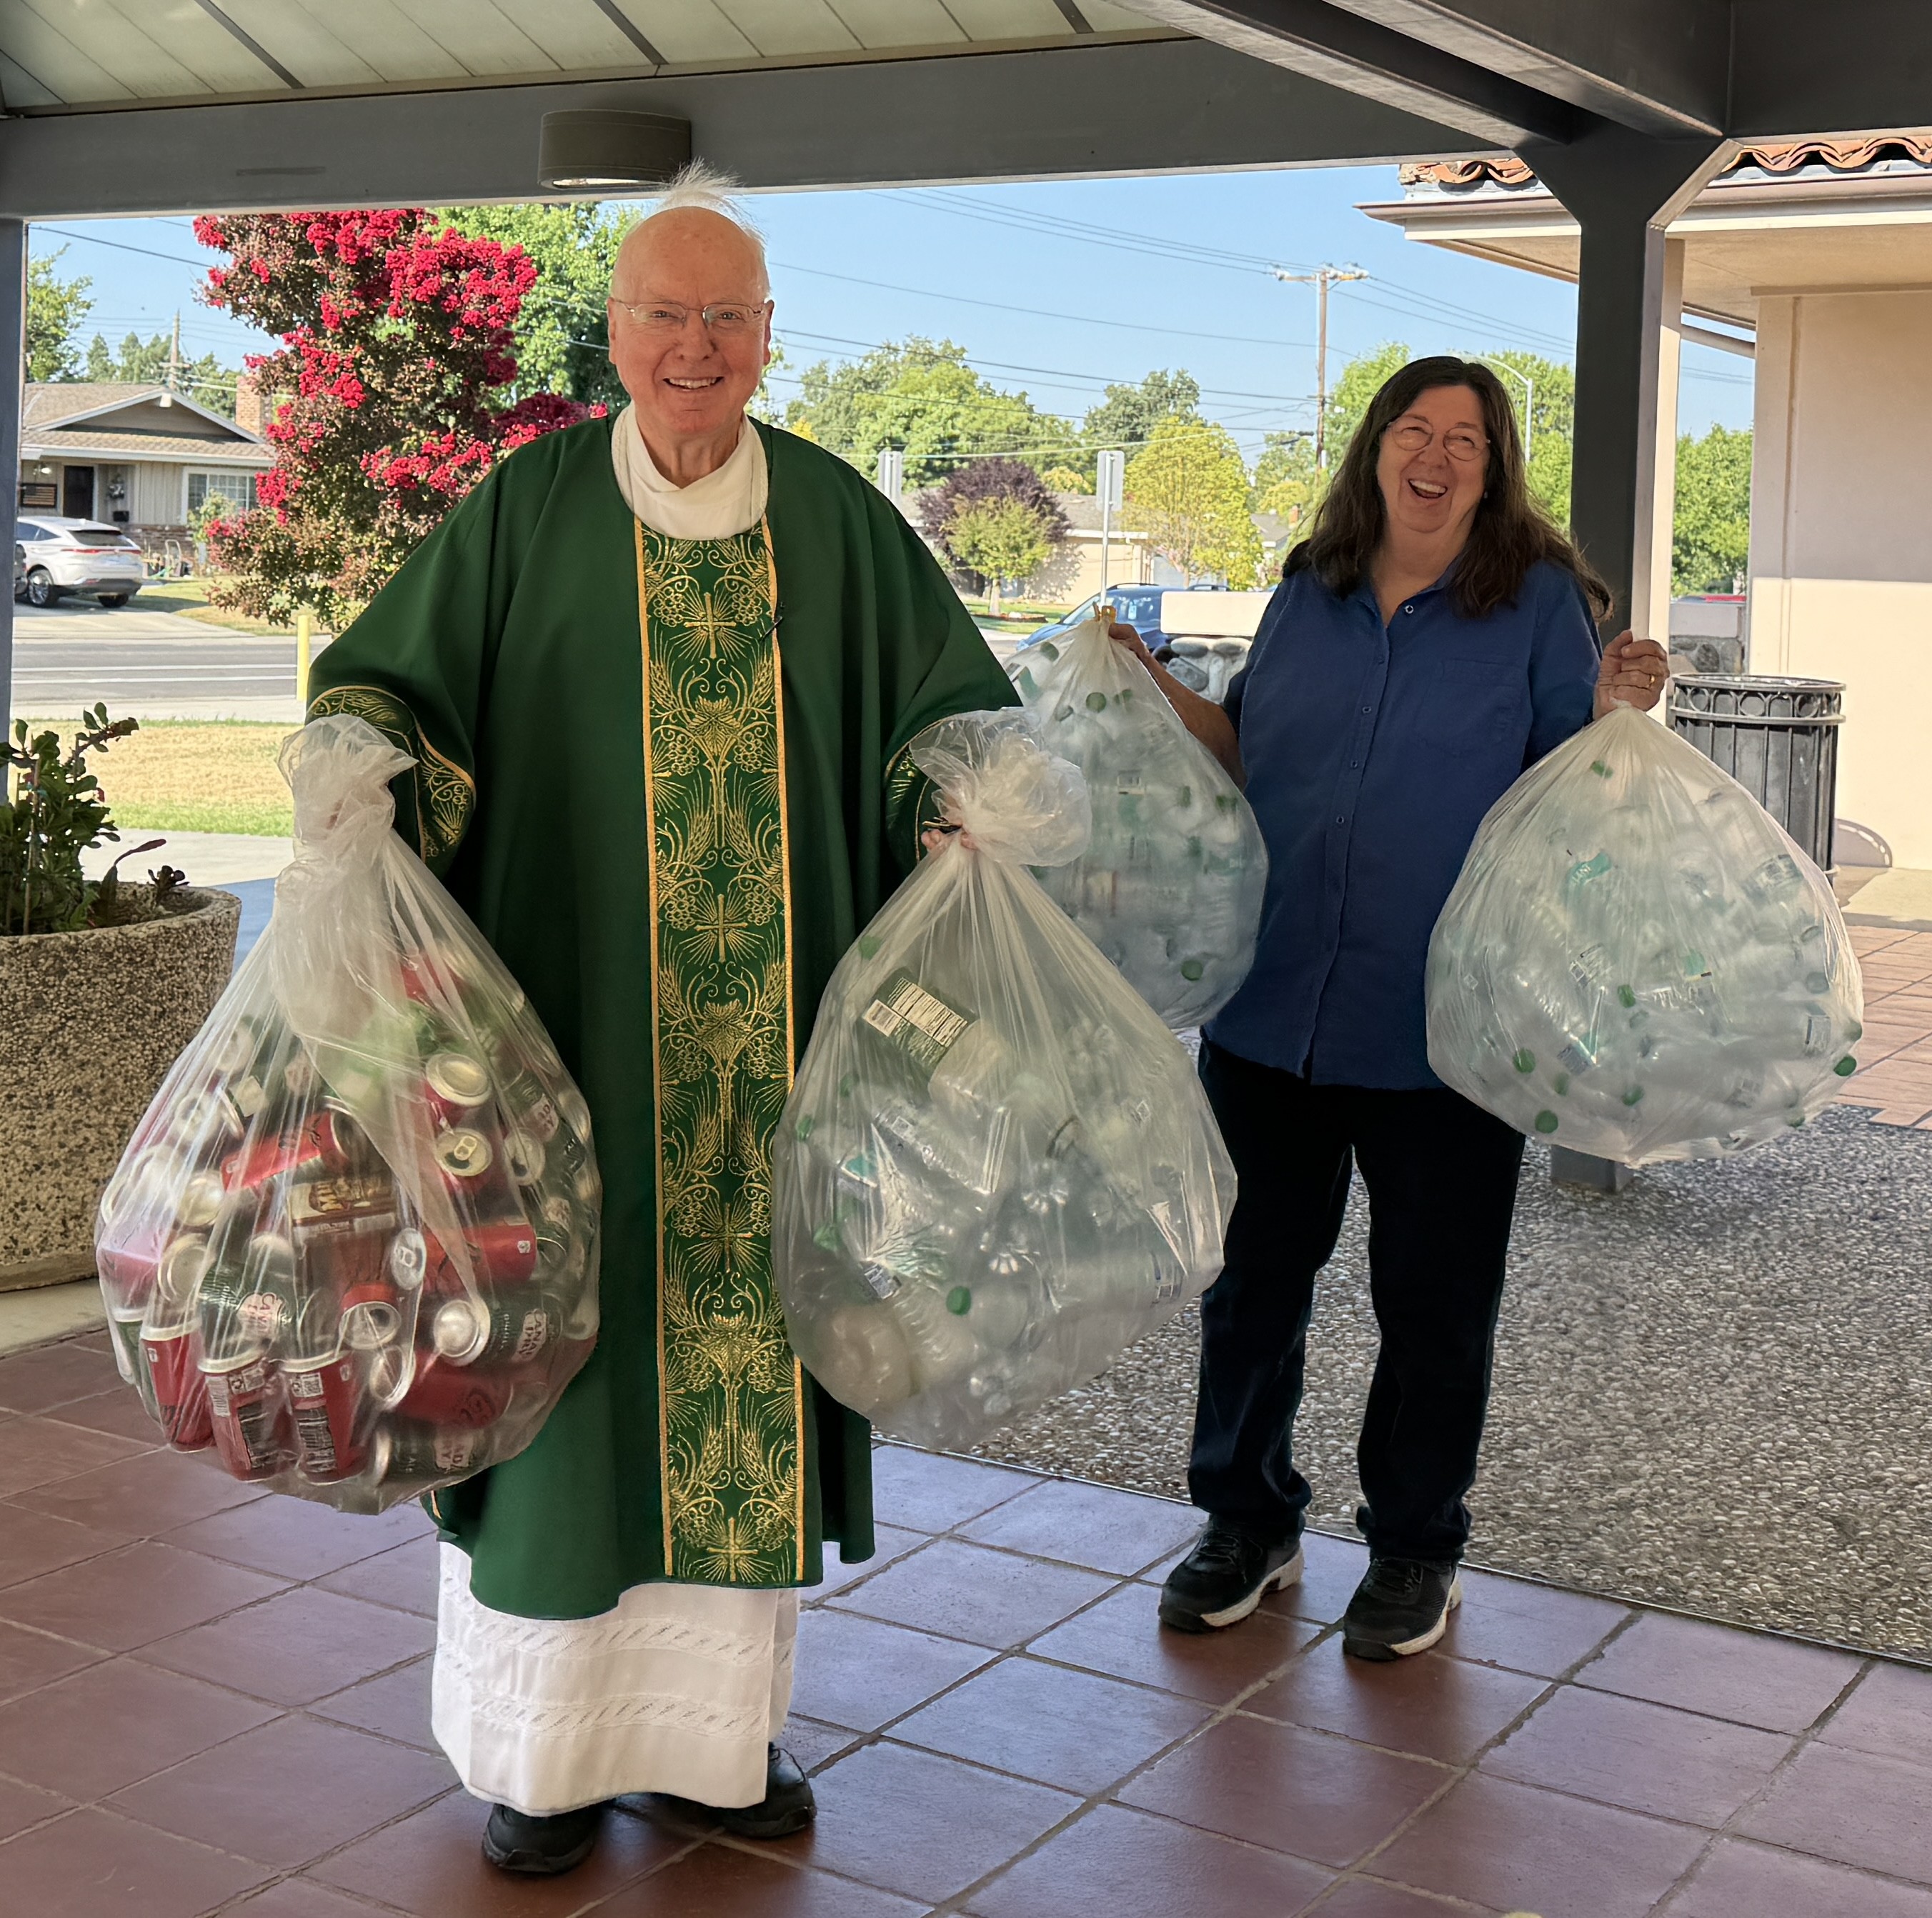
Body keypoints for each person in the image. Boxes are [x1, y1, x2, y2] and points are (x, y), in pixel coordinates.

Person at [305, 164, 1016, 1874]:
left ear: (767, 340)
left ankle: (710, 1744)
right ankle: (534, 1759)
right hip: (553, 1066)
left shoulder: (838, 523)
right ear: (611, 333)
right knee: (553, 1377)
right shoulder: (526, 507)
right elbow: (389, 680)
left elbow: (950, 716)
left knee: (739, 1369)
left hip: (767, 1083)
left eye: (725, 318)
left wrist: (965, 806)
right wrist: (359, 764)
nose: (692, 347)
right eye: (660, 314)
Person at [1120, 357, 1669, 1660]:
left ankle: (1417, 1543)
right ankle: (1245, 1521)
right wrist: (1149, 688)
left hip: (1446, 1028)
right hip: (1274, 1015)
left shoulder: (1536, 603)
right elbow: (1249, 754)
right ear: (1376, 449)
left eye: (1465, 441)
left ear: (1496, 466)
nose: (1435, 457)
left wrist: (1615, 709)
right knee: (1251, 1288)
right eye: (1414, 431)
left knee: (1433, 1302)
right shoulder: (1307, 590)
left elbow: (1571, 790)